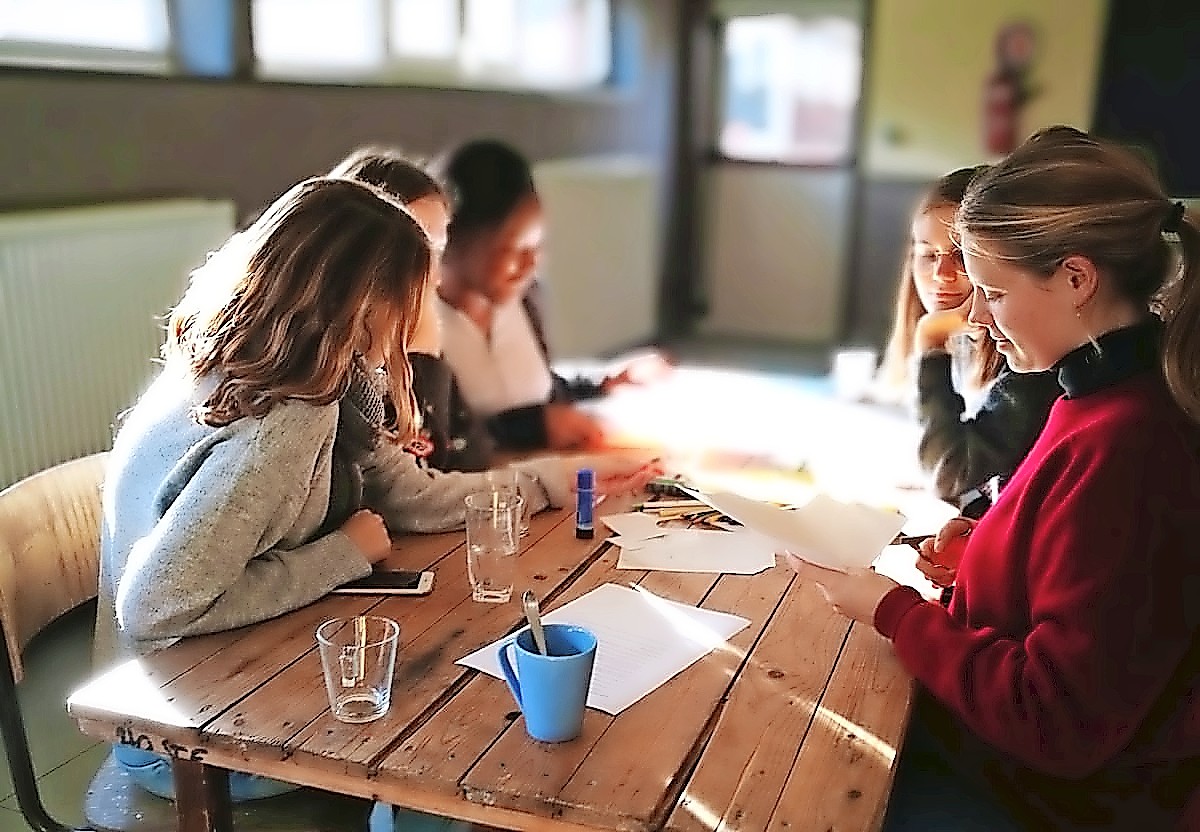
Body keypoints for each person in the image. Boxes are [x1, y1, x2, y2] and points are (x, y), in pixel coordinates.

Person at [99, 176, 656, 806]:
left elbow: (409, 496)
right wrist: (342, 553)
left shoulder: (291, 371)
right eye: (416, 287)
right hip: (187, 733)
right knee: (471, 729)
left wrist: (556, 479)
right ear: (365, 304)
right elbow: (155, 606)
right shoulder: (281, 421)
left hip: (228, 672)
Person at [792, 126, 1200, 830]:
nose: (975, 316)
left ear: (1076, 279)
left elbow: (1057, 722)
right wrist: (988, 544)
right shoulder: (1098, 395)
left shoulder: (1129, 443)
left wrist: (894, 611)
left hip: (1056, 801)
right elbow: (1089, 571)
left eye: (993, 292)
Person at [434, 138, 669, 452]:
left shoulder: (523, 299)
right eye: (513, 250)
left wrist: (603, 383)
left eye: (538, 246)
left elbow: (533, 392)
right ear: (451, 239)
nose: (532, 264)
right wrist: (529, 429)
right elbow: (431, 441)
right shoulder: (419, 325)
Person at [877, 164, 1060, 517]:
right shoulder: (966, 343)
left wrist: (930, 348)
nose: (941, 275)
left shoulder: (1029, 360)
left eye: (960, 256)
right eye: (929, 255)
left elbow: (950, 473)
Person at [330, 145, 494, 472]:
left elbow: (472, 454)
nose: (433, 274)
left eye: (438, 250)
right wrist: (421, 358)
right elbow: (409, 481)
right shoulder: (338, 367)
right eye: (417, 249)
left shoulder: (420, 334)